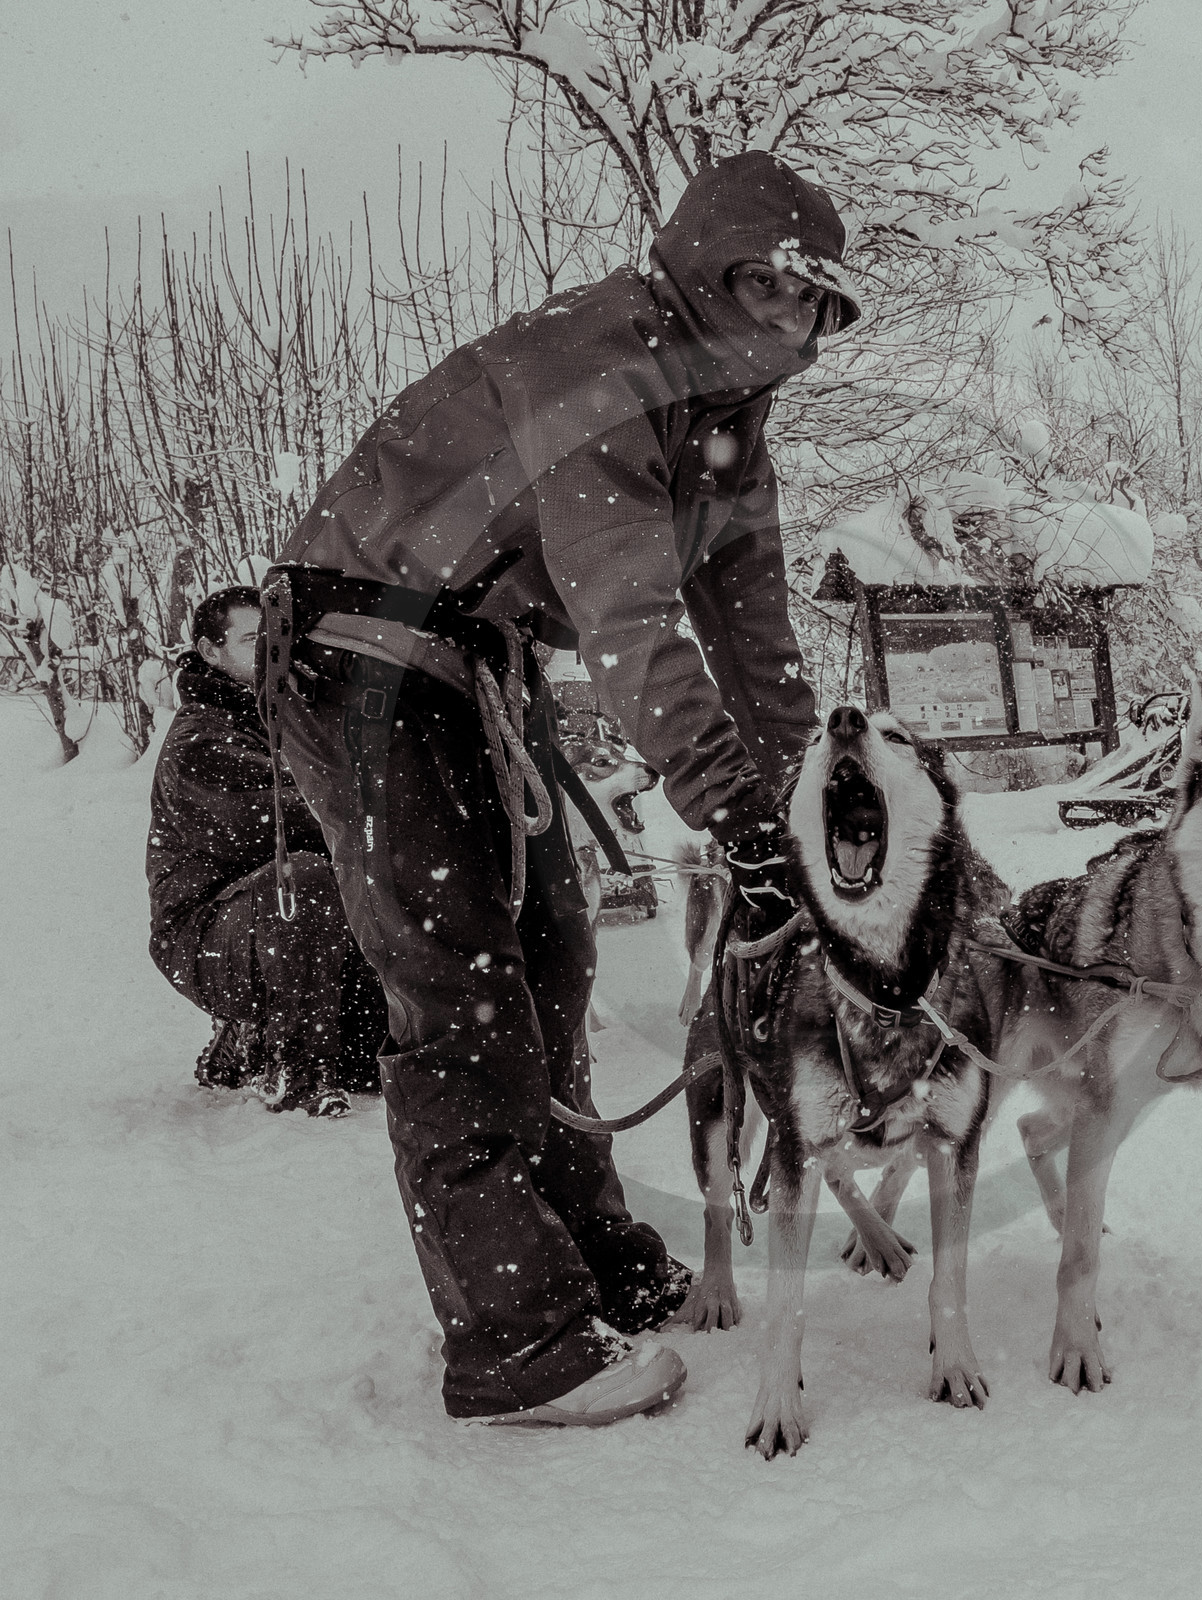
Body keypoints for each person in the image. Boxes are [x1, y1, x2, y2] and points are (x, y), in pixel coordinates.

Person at [261, 151, 860, 1426]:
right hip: (362, 642)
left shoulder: (730, 434)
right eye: (767, 284)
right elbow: (631, 618)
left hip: (472, 656)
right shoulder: (599, 360)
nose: (790, 318)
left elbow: (757, 649)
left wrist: (804, 808)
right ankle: (513, 1340)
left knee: (553, 956)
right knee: (459, 983)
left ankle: (586, 1253)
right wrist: (733, 815)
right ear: (704, 268)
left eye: (813, 299)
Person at [147, 586, 386, 1118]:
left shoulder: (286, 716)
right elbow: (289, 820)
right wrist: (377, 803)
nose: (267, 653)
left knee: (372, 1061)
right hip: (204, 938)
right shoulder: (200, 740)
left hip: (282, 931)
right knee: (303, 881)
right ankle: (294, 1068)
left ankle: (249, 1043)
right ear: (210, 652)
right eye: (251, 639)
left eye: (274, 639)